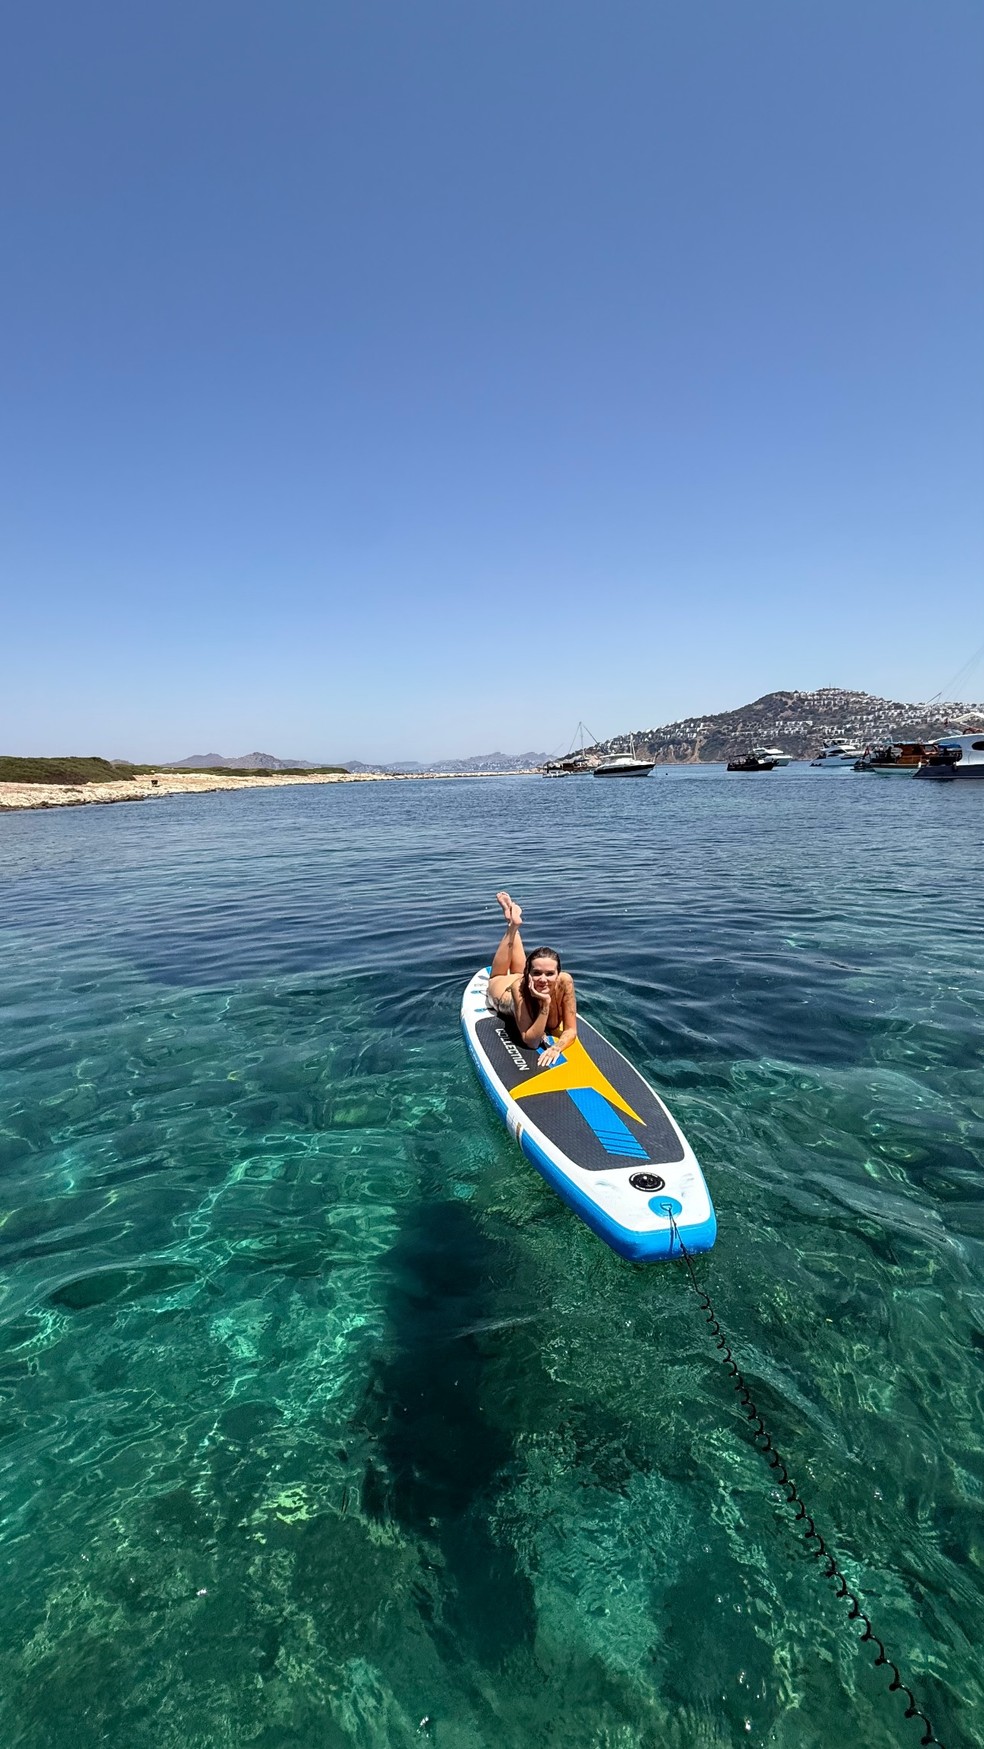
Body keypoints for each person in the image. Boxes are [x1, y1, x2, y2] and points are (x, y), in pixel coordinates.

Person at [487, 892, 577, 1069]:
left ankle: (512, 921)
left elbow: (571, 1030)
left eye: (550, 974)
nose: (543, 979)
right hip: (502, 992)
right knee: (497, 976)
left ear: (558, 974)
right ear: (529, 973)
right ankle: (512, 927)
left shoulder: (565, 982)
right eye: (536, 973)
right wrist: (545, 1004)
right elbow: (531, 1041)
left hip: (525, 979)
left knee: (520, 971)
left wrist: (557, 1048)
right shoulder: (517, 987)